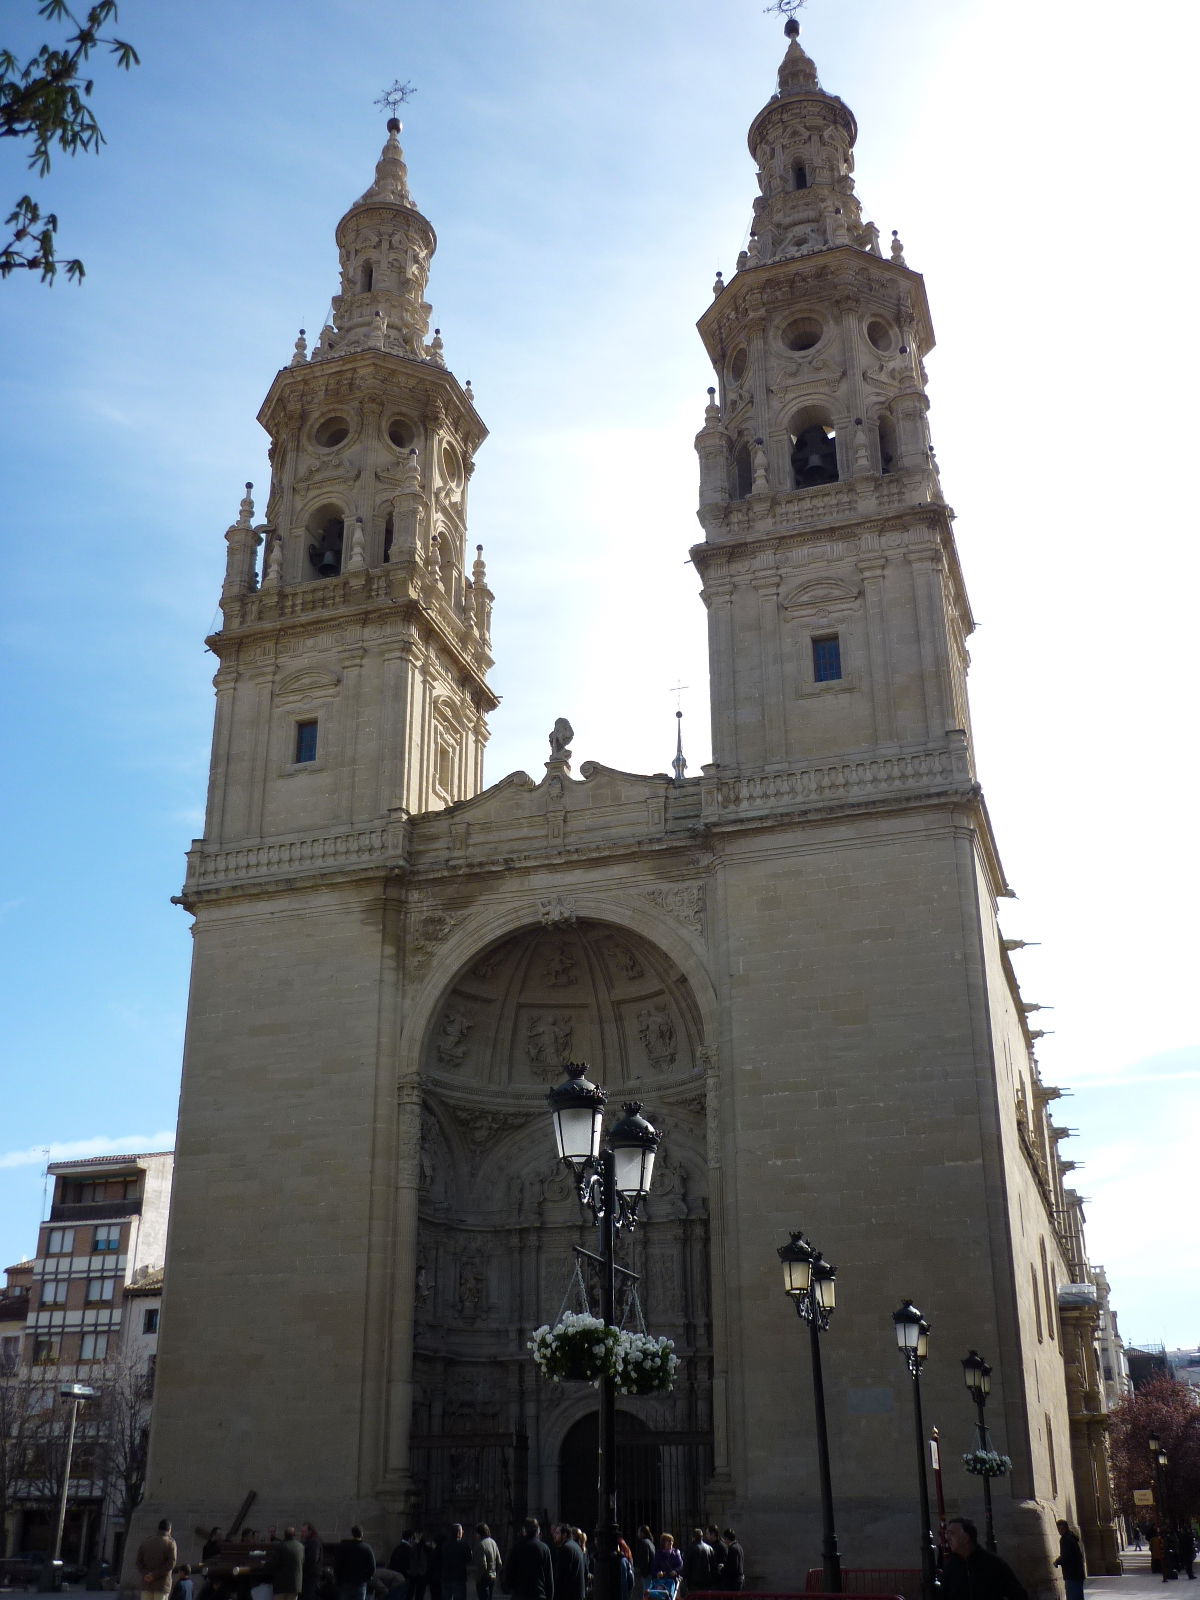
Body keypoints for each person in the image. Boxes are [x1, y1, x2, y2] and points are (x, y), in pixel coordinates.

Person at [940, 1518, 1027, 1600]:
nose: (947, 1538)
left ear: (966, 1538)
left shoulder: (993, 1564)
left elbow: (1018, 1595)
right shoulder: (950, 1567)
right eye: (947, 1533)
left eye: (952, 1533)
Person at [501, 1518, 554, 1600]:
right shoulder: (544, 1548)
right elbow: (549, 1576)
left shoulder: (516, 1547)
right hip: (538, 1594)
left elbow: (509, 1571)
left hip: (520, 1594)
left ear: (524, 1530)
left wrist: (510, 1587)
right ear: (538, 1531)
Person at [138, 1520, 179, 1600]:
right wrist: (154, 1575)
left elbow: (139, 1562)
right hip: (161, 1585)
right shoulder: (170, 1543)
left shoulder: (146, 1542)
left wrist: (146, 1574)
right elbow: (171, 1563)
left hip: (147, 1584)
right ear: (169, 1529)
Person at [334, 1527, 377, 1600]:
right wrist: (368, 1578)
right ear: (362, 1534)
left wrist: (338, 1579)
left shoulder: (344, 1547)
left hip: (345, 1582)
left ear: (352, 1534)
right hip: (360, 1582)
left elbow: (337, 1564)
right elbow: (372, 1566)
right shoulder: (366, 1548)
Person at [270, 1528, 306, 1600]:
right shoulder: (301, 1546)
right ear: (294, 1535)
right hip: (295, 1584)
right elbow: (302, 1561)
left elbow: (274, 1563)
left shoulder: (280, 1546)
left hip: (281, 1584)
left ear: (284, 1535)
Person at [551, 1528, 586, 1600]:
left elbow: (562, 1576)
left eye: (557, 1533)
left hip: (569, 1595)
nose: (554, 1535)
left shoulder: (566, 1548)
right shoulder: (576, 1546)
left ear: (564, 1535)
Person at [1054, 1521, 1085, 1600]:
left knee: (1073, 1596)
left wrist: (1057, 1562)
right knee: (1078, 1596)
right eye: (1058, 1529)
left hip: (1072, 1574)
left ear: (1065, 1528)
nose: (1059, 1531)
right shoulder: (1071, 1537)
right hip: (1077, 1573)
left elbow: (1066, 1556)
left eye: (1061, 1528)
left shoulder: (1065, 1539)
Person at [441, 1527, 471, 1600]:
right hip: (459, 1577)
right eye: (461, 1531)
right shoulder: (464, 1545)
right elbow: (469, 1558)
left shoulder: (445, 1545)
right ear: (458, 1533)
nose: (463, 1532)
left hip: (446, 1577)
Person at [474, 1526, 500, 1600]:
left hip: (483, 1577)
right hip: (492, 1576)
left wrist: (479, 1578)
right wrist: (495, 1573)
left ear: (479, 1533)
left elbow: (482, 1564)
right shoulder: (493, 1542)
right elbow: (499, 1562)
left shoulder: (481, 1545)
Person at [300, 1526, 325, 1600]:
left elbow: (313, 1558)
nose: (302, 1533)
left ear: (310, 1531)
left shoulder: (314, 1541)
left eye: (304, 1531)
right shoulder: (310, 1540)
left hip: (311, 1573)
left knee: (310, 1595)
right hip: (310, 1573)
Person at [633, 1530, 655, 1600]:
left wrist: (643, 1572)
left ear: (642, 1533)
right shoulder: (651, 1543)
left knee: (646, 1594)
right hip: (651, 1572)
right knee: (649, 1593)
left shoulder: (644, 1543)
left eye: (639, 1532)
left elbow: (645, 1559)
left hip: (646, 1573)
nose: (638, 1534)